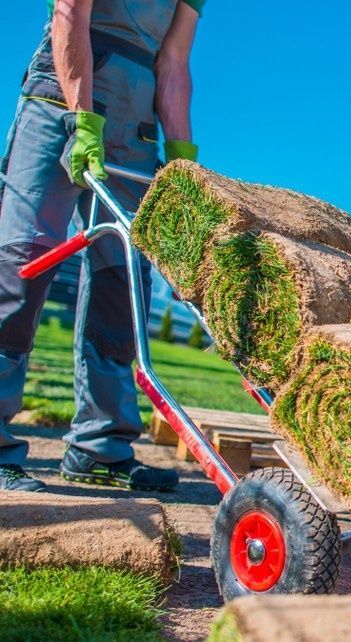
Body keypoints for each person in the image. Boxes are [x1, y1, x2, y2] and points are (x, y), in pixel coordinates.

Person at [0, 0, 203, 492]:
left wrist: (180, 158)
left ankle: (100, 447)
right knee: (23, 266)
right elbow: (70, 12)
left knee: (122, 282)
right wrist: (82, 118)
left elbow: (172, 60)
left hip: (133, 129)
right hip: (61, 101)